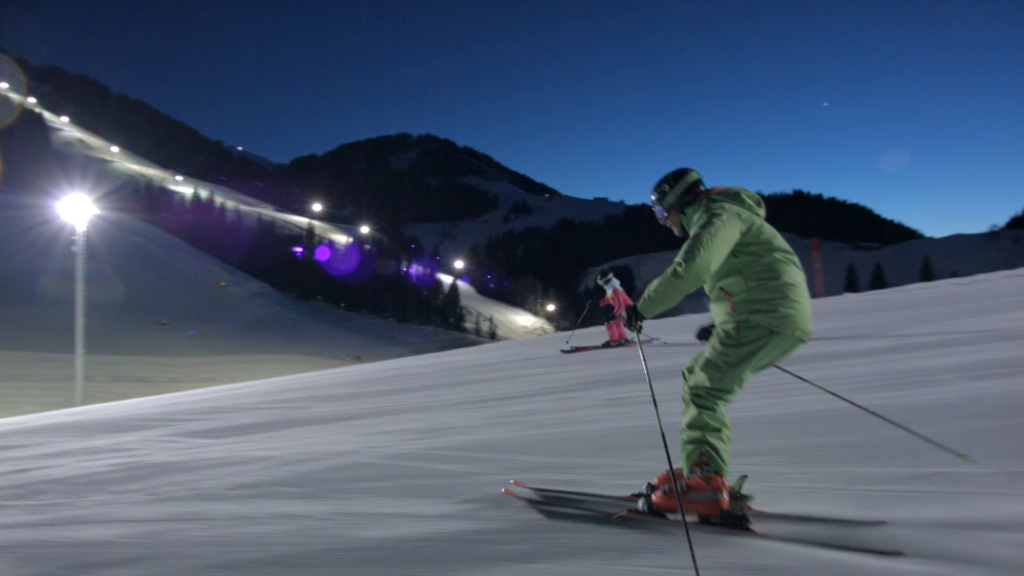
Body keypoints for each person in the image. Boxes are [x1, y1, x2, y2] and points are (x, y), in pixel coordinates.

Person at [624, 168, 813, 517]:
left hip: (765, 315)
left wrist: (642, 308)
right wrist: (723, 322)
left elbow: (693, 266)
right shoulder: (728, 214)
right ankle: (703, 472)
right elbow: (748, 272)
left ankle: (706, 484)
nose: (663, 222)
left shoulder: (716, 215)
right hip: (770, 314)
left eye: (662, 213)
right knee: (696, 376)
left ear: (678, 202)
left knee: (704, 389)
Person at [592, 272, 632, 347]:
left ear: (606, 281)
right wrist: (596, 303)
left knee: (610, 322)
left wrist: (613, 315)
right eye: (599, 282)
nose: (600, 284)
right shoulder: (610, 288)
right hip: (622, 309)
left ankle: (614, 341)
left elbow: (620, 305)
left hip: (627, 309)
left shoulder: (615, 290)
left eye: (601, 282)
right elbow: (607, 300)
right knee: (615, 323)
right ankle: (622, 339)